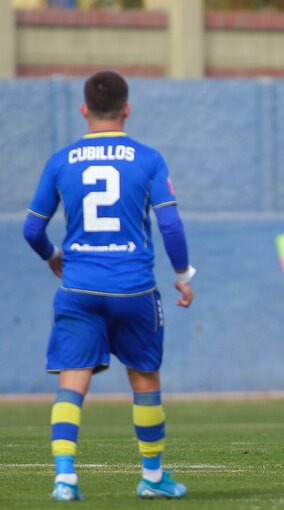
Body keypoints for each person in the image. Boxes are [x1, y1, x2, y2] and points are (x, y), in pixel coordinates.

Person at [22, 71, 195, 501]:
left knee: (72, 381)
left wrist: (52, 255)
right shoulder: (148, 158)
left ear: (84, 110)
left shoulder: (61, 160)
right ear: (127, 109)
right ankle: (152, 477)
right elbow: (169, 223)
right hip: (134, 288)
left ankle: (65, 478)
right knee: (144, 379)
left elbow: (31, 228)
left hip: (79, 288)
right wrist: (183, 274)